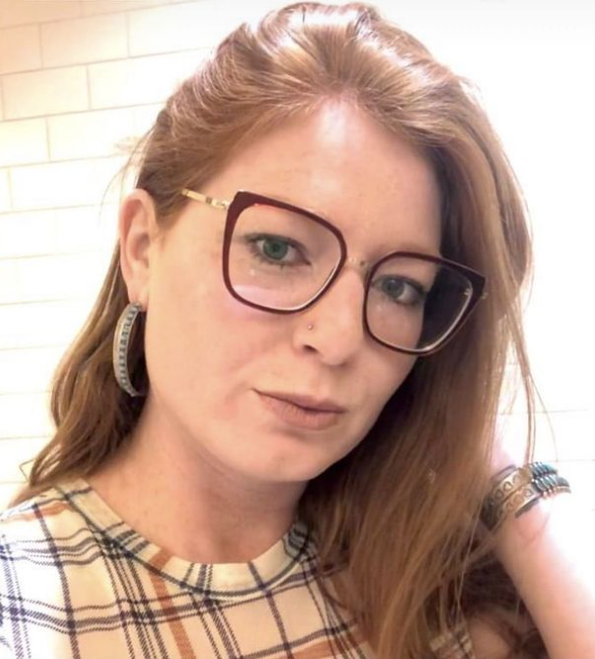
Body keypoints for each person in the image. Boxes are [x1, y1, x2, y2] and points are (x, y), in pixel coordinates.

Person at [1, 2, 594, 658]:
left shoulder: (440, 593)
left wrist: (501, 472)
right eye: (277, 249)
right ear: (142, 248)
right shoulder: (22, 607)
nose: (338, 340)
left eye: (399, 287)